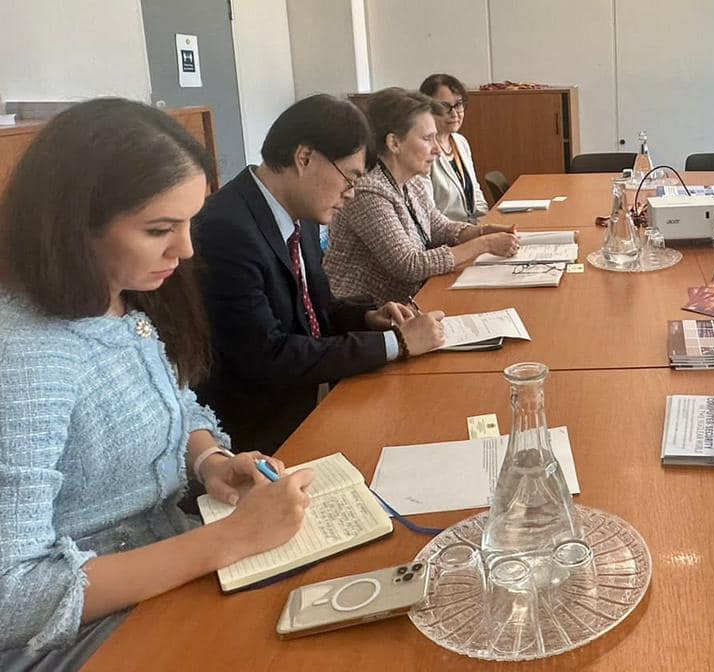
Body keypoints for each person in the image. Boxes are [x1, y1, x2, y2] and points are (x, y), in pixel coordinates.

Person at [0, 99, 314, 666]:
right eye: (159, 229)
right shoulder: (25, 359)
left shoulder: (121, 296)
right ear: (74, 224)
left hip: (167, 568)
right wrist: (228, 539)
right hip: (78, 637)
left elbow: (176, 402)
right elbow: (12, 595)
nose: (186, 249)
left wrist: (210, 461)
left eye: (190, 222)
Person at [194, 95, 446, 455]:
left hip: (311, 402)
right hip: (260, 439)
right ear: (305, 158)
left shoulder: (302, 212)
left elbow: (315, 309)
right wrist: (397, 343)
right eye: (350, 178)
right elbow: (269, 356)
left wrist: (366, 318)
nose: (351, 193)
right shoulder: (227, 230)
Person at [325, 88, 520, 306]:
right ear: (394, 143)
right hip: (366, 315)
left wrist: (482, 231)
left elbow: (438, 228)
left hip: (409, 304)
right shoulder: (367, 192)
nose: (437, 149)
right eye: (428, 139)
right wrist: (484, 244)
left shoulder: (411, 182)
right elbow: (409, 265)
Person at [420, 73, 489, 222]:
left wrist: (486, 223)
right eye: (444, 106)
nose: (454, 113)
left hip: (473, 227)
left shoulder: (460, 142)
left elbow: (476, 194)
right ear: (427, 109)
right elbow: (429, 214)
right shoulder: (424, 150)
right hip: (447, 231)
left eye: (458, 105)